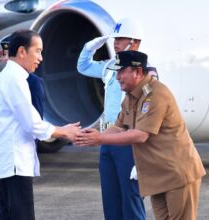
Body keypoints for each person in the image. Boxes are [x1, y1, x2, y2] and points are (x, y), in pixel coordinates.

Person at [76, 50, 206, 220]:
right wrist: (90, 135)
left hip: (177, 174)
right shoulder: (131, 97)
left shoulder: (155, 94)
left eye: (121, 72)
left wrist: (100, 139)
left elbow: (140, 135)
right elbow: (118, 127)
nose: (117, 77)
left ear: (137, 72)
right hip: (159, 176)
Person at [0, 29, 80, 220]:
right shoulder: (14, 79)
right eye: (37, 51)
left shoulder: (6, 77)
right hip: (14, 163)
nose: (41, 58)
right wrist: (63, 132)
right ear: (22, 51)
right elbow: (32, 123)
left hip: (4, 162)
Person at [77, 17, 149, 220]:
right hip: (107, 137)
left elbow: (146, 112)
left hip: (128, 139)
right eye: (114, 38)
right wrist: (89, 47)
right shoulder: (110, 65)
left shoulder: (144, 71)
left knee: (131, 199)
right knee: (111, 199)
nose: (115, 43)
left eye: (120, 38)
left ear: (134, 42)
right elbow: (83, 67)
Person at [0, 36, 45, 119]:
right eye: (5, 54)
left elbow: (37, 119)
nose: (5, 59)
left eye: (9, 55)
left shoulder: (33, 82)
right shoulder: (3, 80)